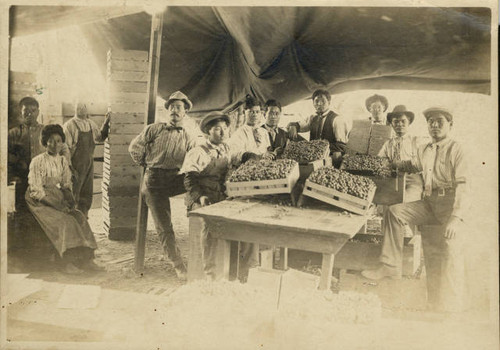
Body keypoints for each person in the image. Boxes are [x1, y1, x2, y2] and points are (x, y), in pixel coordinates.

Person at [362, 107, 469, 313]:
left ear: (450, 125)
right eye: (431, 122)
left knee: (451, 251)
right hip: (429, 204)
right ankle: (390, 266)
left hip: (451, 205)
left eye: (440, 121)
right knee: (394, 212)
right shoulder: (426, 148)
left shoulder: (457, 149)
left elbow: (465, 187)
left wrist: (456, 218)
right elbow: (410, 165)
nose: (435, 126)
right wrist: (383, 165)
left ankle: (453, 309)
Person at [181, 112, 258, 281]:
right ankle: (211, 274)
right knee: (211, 231)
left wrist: (249, 156)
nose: (223, 133)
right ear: (208, 131)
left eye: (225, 129)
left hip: (222, 196)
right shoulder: (198, 152)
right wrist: (199, 197)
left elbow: (237, 157)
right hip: (204, 197)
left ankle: (240, 272)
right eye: (217, 129)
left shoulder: (226, 148)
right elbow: (189, 180)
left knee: (244, 228)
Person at [129, 91, 197, 280]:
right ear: (167, 111)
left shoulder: (189, 136)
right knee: (165, 226)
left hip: (175, 179)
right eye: (172, 107)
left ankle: (192, 206)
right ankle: (178, 264)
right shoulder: (154, 129)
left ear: (185, 113)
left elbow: (193, 159)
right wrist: (147, 164)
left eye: (179, 108)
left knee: (200, 182)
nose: (175, 111)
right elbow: (134, 147)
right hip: (154, 181)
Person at [25, 124, 101, 274]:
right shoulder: (37, 161)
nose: (55, 144)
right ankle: (66, 263)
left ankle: (87, 260)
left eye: (59, 141)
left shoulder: (62, 161)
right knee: (65, 222)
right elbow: (36, 190)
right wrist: (57, 206)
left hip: (54, 195)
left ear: (62, 143)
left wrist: (71, 201)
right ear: (45, 142)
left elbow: (66, 185)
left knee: (79, 217)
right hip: (39, 201)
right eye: (51, 141)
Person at [8, 97, 71, 253]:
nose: (29, 114)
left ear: (38, 112)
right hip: (23, 179)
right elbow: (4, 154)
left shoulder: (45, 132)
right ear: (21, 112)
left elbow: (63, 149)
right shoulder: (14, 133)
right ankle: (27, 253)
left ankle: (49, 251)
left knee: (49, 214)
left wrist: (66, 164)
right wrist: (17, 164)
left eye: (33, 110)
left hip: (44, 178)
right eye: (26, 111)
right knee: (24, 215)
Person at [63, 102, 110, 217]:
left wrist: (107, 122)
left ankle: (84, 218)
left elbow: (100, 138)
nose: (82, 108)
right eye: (79, 105)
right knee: (74, 192)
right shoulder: (69, 125)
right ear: (74, 107)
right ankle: (73, 220)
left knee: (87, 192)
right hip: (75, 164)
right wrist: (69, 168)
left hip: (88, 163)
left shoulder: (91, 124)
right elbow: (66, 150)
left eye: (84, 105)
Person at [287, 89, 351, 165]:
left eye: (323, 101)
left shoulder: (337, 119)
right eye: (316, 101)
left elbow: (341, 146)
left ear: (329, 102)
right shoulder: (313, 118)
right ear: (313, 103)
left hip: (330, 156)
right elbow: (300, 125)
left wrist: (320, 147)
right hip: (314, 156)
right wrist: (293, 126)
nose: (319, 104)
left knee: (337, 154)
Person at [378, 105, 425, 202]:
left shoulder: (417, 141)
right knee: (382, 204)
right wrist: (384, 165)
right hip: (393, 180)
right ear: (392, 124)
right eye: (396, 122)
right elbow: (380, 161)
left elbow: (422, 163)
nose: (400, 124)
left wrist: (400, 164)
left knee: (404, 202)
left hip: (412, 180)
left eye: (403, 121)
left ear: (409, 123)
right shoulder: (388, 144)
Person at [227, 96, 271, 162]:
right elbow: (234, 155)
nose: (255, 115)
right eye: (251, 111)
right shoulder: (239, 133)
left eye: (257, 112)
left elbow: (266, 151)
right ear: (245, 112)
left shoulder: (264, 132)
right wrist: (255, 157)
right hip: (247, 168)